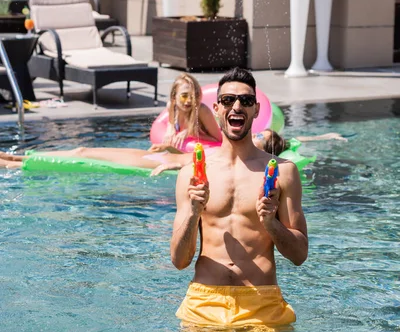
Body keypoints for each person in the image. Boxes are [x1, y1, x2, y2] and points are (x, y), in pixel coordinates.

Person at [171, 67, 308, 328]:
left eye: (245, 101)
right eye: (227, 100)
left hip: (263, 302)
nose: (236, 106)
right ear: (216, 108)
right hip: (205, 301)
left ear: (256, 109)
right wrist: (193, 212)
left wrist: (271, 223)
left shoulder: (284, 172)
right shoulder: (191, 175)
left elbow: (300, 255)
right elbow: (179, 261)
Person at [0, 129, 288, 173]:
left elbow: (197, 165)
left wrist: (170, 165)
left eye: (262, 137)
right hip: (156, 155)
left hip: (154, 163)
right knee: (83, 148)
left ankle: (11, 164)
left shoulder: (242, 159)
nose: (256, 134)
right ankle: (16, 157)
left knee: (83, 156)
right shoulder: (228, 147)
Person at [161, 73, 221, 149]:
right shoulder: (172, 107)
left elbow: (219, 140)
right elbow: (170, 122)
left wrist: (192, 133)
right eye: (184, 96)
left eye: (193, 96)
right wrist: (170, 129)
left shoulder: (202, 111)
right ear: (174, 96)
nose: (189, 100)